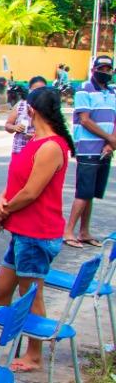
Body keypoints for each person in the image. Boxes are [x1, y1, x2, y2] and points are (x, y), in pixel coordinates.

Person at [0, 87, 74, 371]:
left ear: (32, 110)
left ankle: (34, 353)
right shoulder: (33, 141)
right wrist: (3, 201)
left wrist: (5, 209)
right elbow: (16, 181)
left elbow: (31, 192)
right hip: (22, 230)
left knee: (30, 294)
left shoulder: (51, 146)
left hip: (36, 231)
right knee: (1, 288)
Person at [65, 54, 116, 247]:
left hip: (105, 148)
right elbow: (85, 119)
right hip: (88, 147)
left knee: (92, 192)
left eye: (107, 70)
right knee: (83, 191)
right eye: (101, 69)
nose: (104, 73)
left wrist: (111, 143)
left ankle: (84, 231)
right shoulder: (84, 89)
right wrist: (110, 138)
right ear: (94, 69)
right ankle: (68, 231)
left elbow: (114, 118)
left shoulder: (112, 92)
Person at [6, 76, 48, 154]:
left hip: (41, 152)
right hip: (20, 151)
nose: (38, 93)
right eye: (35, 90)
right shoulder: (20, 105)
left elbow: (56, 131)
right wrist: (14, 127)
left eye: (42, 90)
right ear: (30, 90)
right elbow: (8, 125)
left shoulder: (50, 107)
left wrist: (38, 135)